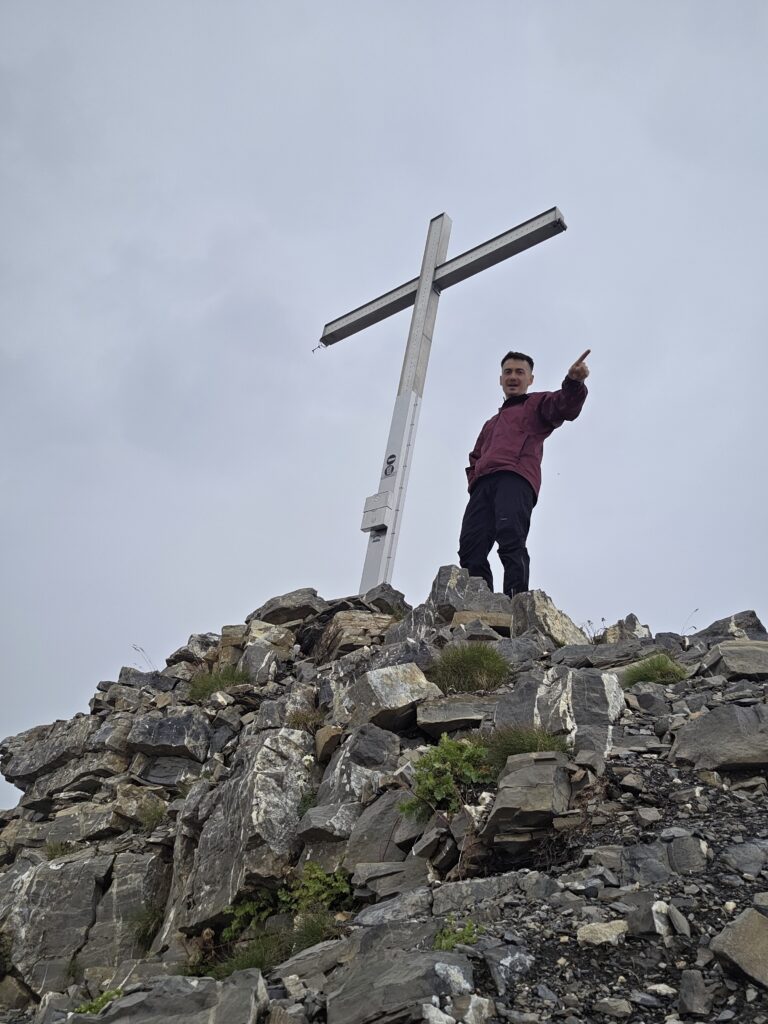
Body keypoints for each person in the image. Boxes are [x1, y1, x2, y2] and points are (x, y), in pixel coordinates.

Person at [458, 349, 590, 597]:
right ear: (500, 379)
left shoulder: (537, 404)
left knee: (511, 539)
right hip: (483, 486)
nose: (513, 376)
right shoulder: (491, 423)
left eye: (520, 372)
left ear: (530, 379)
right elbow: (475, 456)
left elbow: (565, 405)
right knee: (470, 546)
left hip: (515, 479)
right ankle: (479, 604)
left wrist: (574, 382)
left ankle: (516, 605)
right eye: (508, 372)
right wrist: (474, 481)